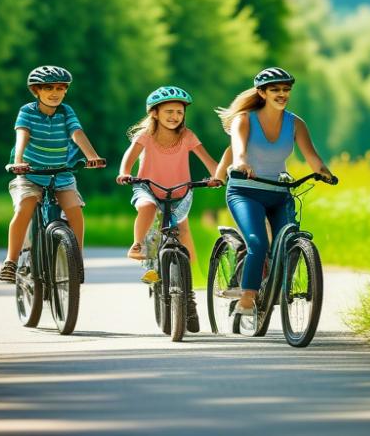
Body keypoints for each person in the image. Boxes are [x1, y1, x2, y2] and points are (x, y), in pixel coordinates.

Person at [217, 67, 334, 317]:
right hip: (245, 192)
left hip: (279, 192)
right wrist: (240, 162)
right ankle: (247, 299)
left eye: (286, 90)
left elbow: (312, 157)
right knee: (258, 244)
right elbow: (238, 148)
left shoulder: (295, 123)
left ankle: (281, 286)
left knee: (291, 239)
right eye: (275, 90)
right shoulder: (245, 119)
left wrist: (324, 172)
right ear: (262, 93)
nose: (282, 94)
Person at [116, 86, 221, 332]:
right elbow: (129, 158)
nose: (175, 116)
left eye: (179, 112)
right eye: (169, 112)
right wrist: (124, 173)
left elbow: (208, 160)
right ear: (154, 113)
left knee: (182, 234)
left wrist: (217, 176)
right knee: (148, 207)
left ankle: (189, 300)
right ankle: (138, 244)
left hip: (179, 191)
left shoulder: (187, 136)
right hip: (147, 188)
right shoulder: (145, 136)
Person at [1, 66, 106, 282]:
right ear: (36, 90)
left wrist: (91, 155)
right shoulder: (28, 111)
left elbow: (76, 133)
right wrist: (19, 161)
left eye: (60, 88)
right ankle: (10, 262)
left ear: (66, 91)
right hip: (30, 174)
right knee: (25, 207)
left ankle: (77, 258)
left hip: (60, 174)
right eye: (48, 88)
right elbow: (23, 134)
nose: (55, 92)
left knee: (74, 210)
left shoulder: (66, 111)